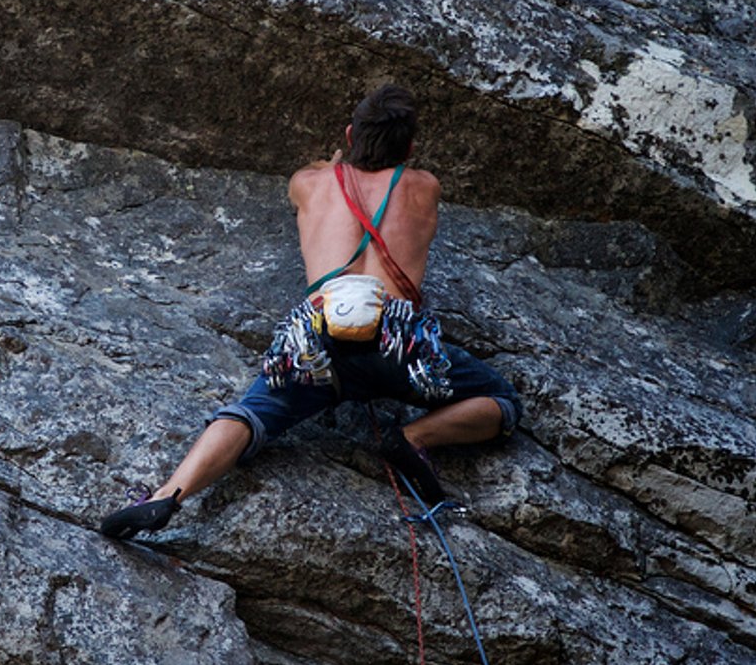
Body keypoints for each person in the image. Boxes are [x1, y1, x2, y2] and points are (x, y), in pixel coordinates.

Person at [99, 84, 520, 540]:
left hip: (318, 338)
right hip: (398, 342)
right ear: (411, 148)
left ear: (348, 134)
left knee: (250, 413)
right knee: (502, 401)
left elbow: (326, 175)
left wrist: (334, 164)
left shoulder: (308, 183)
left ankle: (168, 494)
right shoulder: (424, 186)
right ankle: (414, 439)